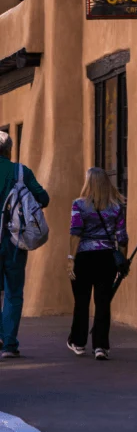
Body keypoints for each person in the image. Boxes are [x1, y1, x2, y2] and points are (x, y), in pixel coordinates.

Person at [67, 167, 128, 360]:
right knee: (103, 302)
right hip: (107, 257)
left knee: (81, 301)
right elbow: (122, 237)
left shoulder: (79, 205)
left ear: (88, 183)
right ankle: (101, 346)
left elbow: (75, 233)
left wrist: (71, 259)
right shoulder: (117, 207)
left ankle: (78, 342)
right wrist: (122, 260)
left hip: (84, 257)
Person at [0, 131, 49, 358]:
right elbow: (44, 198)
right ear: (9, 150)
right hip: (14, 240)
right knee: (13, 292)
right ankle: (9, 343)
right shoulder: (21, 172)